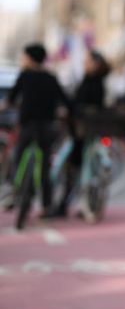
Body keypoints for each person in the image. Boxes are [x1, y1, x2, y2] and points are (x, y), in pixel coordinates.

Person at [7, 43, 70, 218]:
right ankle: (46, 204)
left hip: (28, 126)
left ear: (30, 58)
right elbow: (64, 99)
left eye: (24, 56)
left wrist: (9, 105)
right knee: (44, 167)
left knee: (18, 159)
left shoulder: (25, 75)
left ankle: (14, 194)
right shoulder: (51, 77)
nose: (22, 60)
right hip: (47, 127)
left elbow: (12, 97)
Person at [54, 49, 110, 216]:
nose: (84, 63)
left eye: (87, 61)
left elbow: (80, 104)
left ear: (95, 64)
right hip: (87, 130)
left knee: (71, 167)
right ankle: (81, 203)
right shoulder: (96, 80)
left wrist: (68, 110)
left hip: (82, 131)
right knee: (79, 167)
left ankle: (65, 204)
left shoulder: (92, 82)